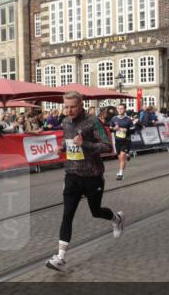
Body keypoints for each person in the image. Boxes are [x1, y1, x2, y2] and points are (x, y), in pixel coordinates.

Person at [46, 92, 125, 272]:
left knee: (95, 211)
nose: (69, 110)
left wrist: (85, 145)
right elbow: (69, 141)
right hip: (72, 174)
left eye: (72, 106)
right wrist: (63, 148)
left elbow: (107, 147)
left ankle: (117, 218)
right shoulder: (65, 122)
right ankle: (60, 257)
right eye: (66, 106)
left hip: (92, 175)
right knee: (67, 214)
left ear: (81, 105)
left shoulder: (92, 121)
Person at [109, 104, 135, 180]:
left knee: (122, 157)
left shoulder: (128, 119)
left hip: (126, 141)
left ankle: (120, 174)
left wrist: (126, 130)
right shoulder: (114, 119)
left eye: (122, 108)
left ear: (125, 110)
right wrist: (114, 129)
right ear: (117, 109)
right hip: (117, 141)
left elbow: (133, 130)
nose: (120, 110)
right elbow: (110, 129)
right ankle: (127, 155)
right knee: (120, 158)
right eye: (119, 108)